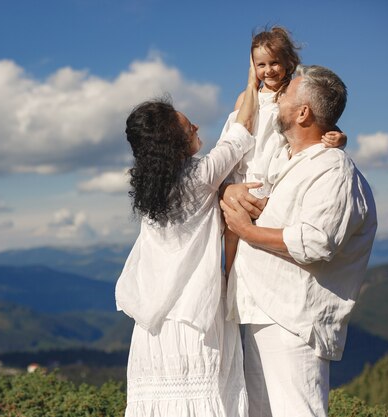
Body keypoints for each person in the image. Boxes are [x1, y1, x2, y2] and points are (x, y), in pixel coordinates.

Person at [220, 65, 377, 417]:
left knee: (296, 410)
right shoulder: (287, 160)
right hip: (262, 308)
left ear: (304, 112)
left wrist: (247, 231)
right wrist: (231, 190)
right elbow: (250, 182)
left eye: (285, 96)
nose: (276, 102)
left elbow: (315, 243)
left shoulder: (333, 170)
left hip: (294, 319)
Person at [115, 59, 261, 416]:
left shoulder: (150, 189)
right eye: (186, 125)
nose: (196, 125)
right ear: (173, 143)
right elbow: (241, 129)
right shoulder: (200, 178)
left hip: (153, 329)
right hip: (197, 323)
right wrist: (253, 76)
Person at [221, 27, 346, 279]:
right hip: (248, 168)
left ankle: (251, 275)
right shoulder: (247, 97)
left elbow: (320, 120)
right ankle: (228, 272)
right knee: (231, 228)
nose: (268, 70)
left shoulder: (292, 94)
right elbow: (235, 134)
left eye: (274, 62)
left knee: (267, 224)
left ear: (288, 62)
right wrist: (250, 85)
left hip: (275, 170)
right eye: (261, 64)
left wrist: (341, 137)